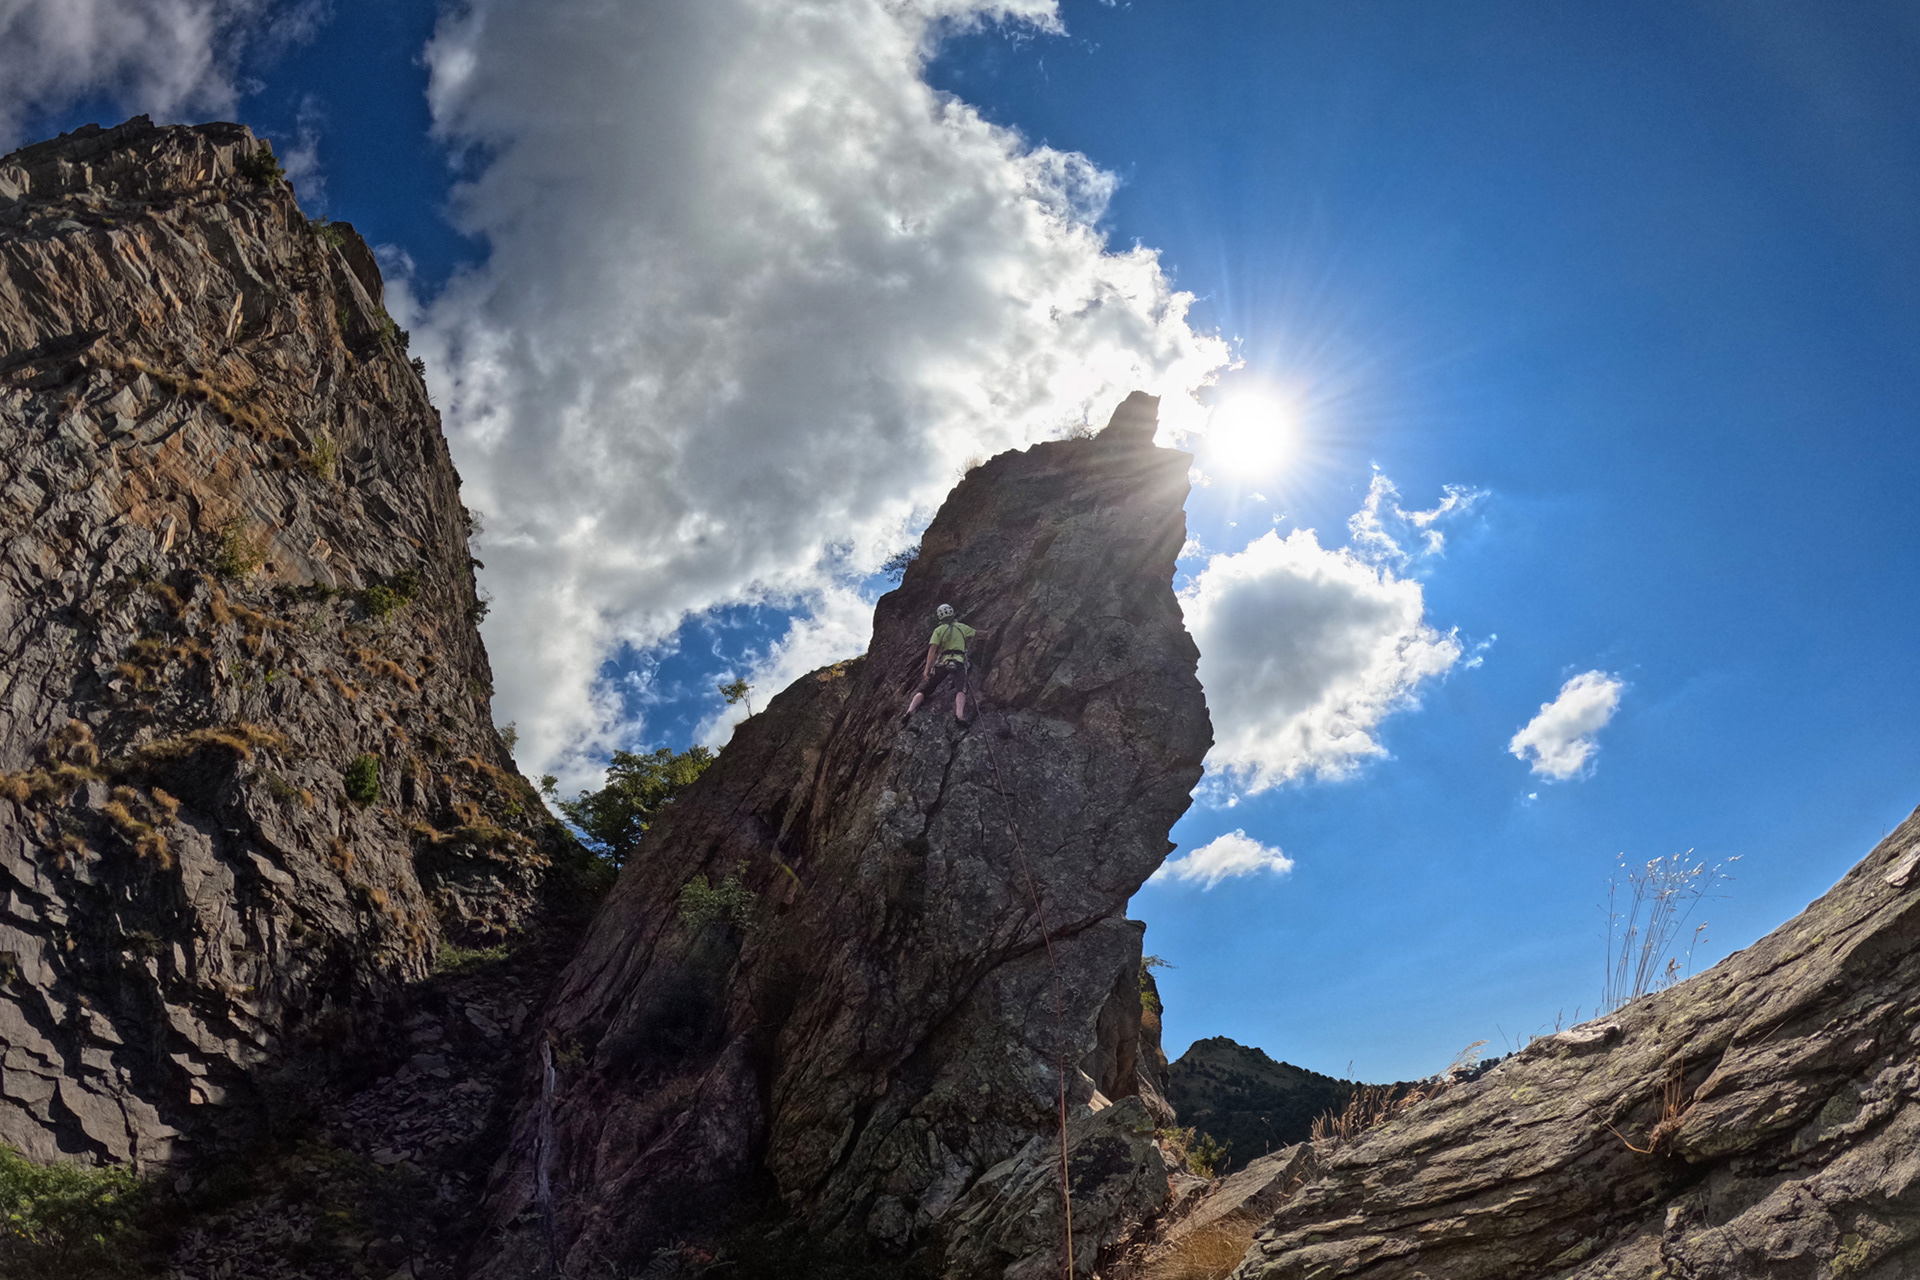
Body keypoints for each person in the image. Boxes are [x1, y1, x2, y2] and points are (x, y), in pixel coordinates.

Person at [905, 603, 982, 722]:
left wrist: (927, 669)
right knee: (961, 689)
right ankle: (959, 716)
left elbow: (932, 650)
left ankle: (909, 711)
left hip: (943, 662)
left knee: (925, 689)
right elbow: (977, 634)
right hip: (959, 661)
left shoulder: (938, 630)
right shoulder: (961, 627)